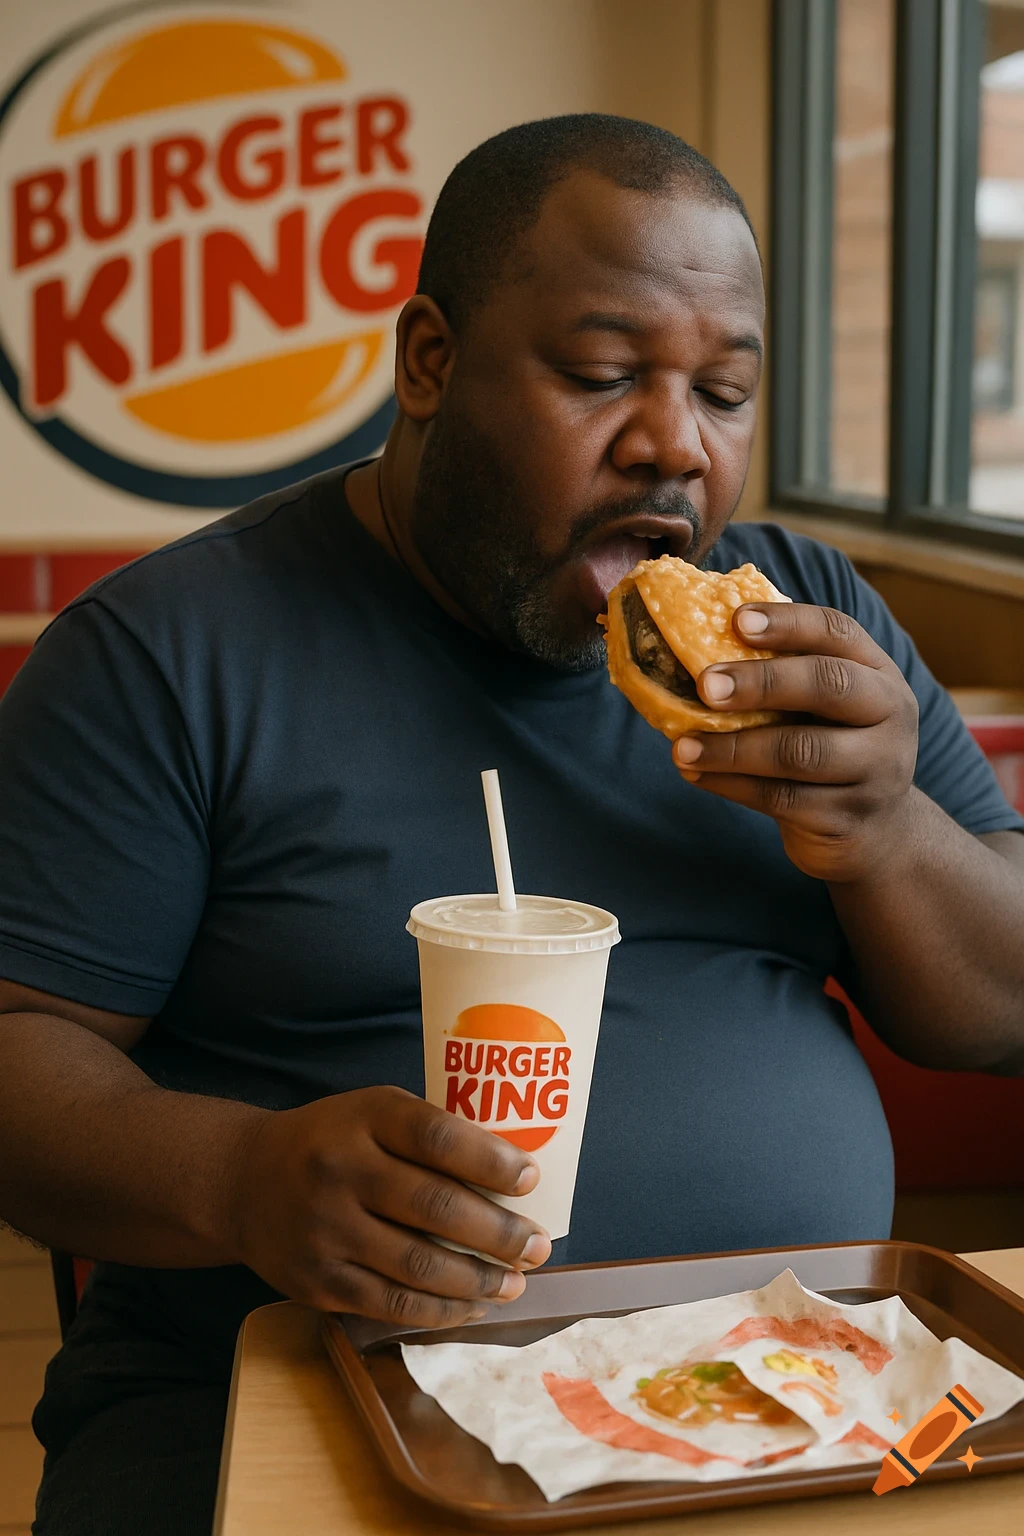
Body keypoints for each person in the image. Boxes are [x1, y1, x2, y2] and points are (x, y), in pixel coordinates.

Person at [0, 113, 1022, 1535]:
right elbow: (19, 1048)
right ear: (430, 361)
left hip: (800, 1395)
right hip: (303, 1382)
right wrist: (239, 1180)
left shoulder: (810, 625)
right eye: (605, 375)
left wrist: (889, 829)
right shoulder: (166, 654)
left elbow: (1002, 1012)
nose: (675, 445)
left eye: (724, 392)